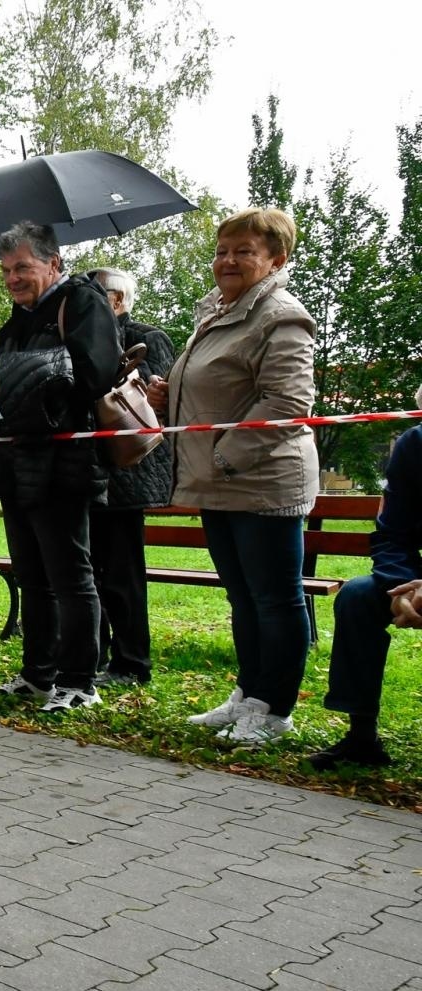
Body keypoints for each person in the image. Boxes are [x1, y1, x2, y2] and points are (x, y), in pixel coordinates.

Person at [148, 207, 317, 747]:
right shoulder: (219, 311)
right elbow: (217, 388)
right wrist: (167, 395)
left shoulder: (281, 315)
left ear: (275, 260)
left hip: (262, 479)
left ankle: (276, 710)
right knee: (241, 597)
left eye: (244, 251)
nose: (228, 260)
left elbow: (288, 402)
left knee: (274, 597)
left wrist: (223, 455)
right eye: (223, 250)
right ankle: (249, 695)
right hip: (217, 480)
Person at [0, 221, 120, 713]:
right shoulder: (17, 318)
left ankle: (80, 680)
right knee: (32, 575)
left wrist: (5, 373)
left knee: (71, 575)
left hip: (66, 463)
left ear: (54, 263)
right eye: (6, 270)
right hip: (20, 462)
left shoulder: (83, 302)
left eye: (23, 267)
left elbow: (93, 372)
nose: (12, 278)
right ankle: (38, 675)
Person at [313, 385, 422, 768]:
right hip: (418, 579)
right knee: (358, 597)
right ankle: (361, 737)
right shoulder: (415, 444)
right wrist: (403, 587)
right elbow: (392, 532)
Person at [88, 266, 176, 687]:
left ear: (117, 300)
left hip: (128, 471)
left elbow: (154, 403)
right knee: (93, 570)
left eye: (94, 294)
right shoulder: (86, 339)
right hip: (92, 470)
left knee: (122, 572)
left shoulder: (147, 337)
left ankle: (131, 662)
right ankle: (96, 654)